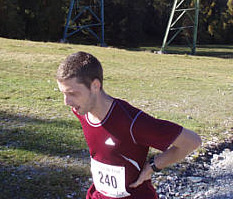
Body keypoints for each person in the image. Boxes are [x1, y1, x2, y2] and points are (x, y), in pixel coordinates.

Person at [56, 51, 202, 199]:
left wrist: (154, 166)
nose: (66, 102)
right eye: (63, 93)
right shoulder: (82, 111)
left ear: (95, 85)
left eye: (72, 94)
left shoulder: (132, 123)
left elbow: (192, 141)